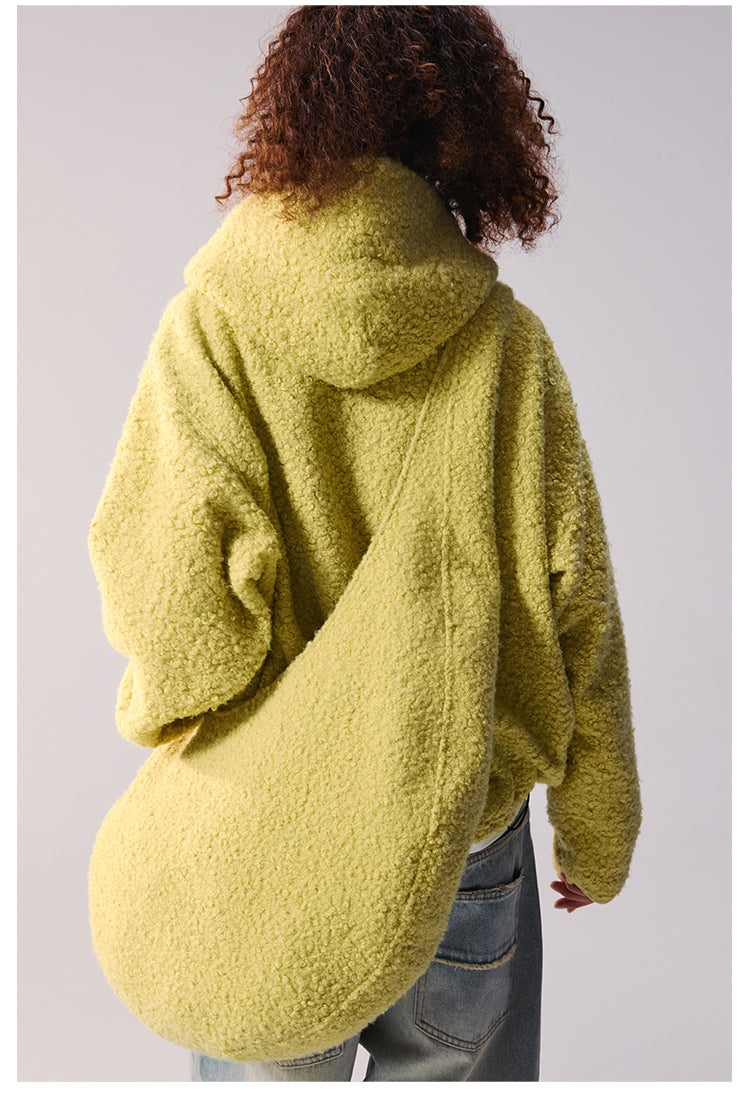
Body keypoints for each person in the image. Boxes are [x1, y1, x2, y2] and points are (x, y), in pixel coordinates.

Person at [88, 5, 641, 1082]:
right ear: (468, 133)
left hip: (263, 842)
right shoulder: (509, 349)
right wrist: (598, 827)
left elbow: (175, 610)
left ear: (291, 112)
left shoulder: (209, 329)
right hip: (458, 837)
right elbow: (582, 606)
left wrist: (195, 718)